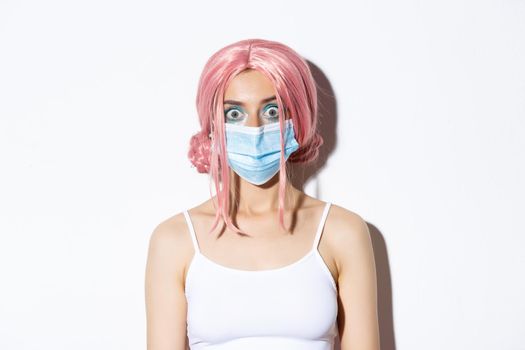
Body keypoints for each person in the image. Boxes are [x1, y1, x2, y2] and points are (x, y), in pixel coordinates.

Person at [145, 38, 380, 350]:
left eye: (272, 111)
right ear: (213, 125)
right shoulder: (174, 240)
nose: (254, 129)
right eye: (234, 115)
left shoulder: (342, 232)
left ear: (298, 118)